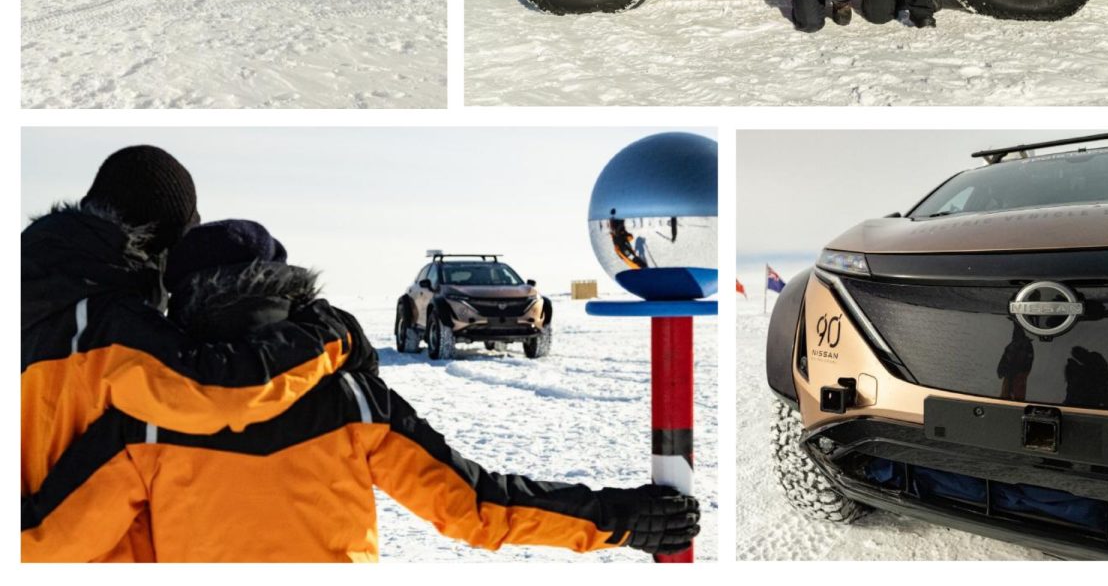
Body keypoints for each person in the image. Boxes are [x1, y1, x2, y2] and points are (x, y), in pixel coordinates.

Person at [22, 221, 701, 563]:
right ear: (284, 286)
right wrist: (618, 517)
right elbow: (477, 507)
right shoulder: (352, 400)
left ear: (184, 300)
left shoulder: (144, 417)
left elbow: (45, 544)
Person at [21, 147, 360, 561]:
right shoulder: (108, 322)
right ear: (156, 243)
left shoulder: (36, 289)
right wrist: (324, 334)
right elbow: (217, 392)